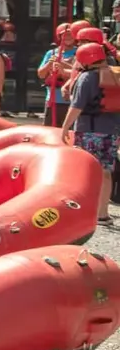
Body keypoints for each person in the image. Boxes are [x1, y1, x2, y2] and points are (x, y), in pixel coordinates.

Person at [61, 42, 117, 224]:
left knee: (86, 171)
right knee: (106, 172)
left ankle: (84, 211)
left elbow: (76, 106)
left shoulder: (86, 78)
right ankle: (103, 213)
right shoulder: (114, 74)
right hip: (111, 131)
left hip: (88, 131)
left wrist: (65, 127)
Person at [38, 24, 77, 128]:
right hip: (52, 100)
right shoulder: (51, 53)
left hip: (71, 100)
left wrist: (62, 64)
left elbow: (79, 72)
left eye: (70, 34)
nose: (68, 37)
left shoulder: (79, 52)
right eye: (65, 35)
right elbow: (41, 75)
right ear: (59, 37)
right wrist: (49, 64)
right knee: (49, 130)